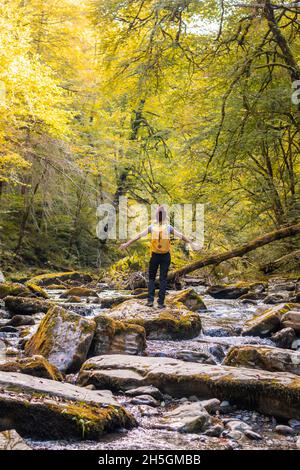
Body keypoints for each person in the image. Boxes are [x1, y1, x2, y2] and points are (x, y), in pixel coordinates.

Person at [120, 205, 194, 308]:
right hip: (165, 256)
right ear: (164, 217)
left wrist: (127, 244)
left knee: (152, 278)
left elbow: (138, 236)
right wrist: (191, 243)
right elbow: (181, 236)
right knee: (162, 279)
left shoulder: (153, 227)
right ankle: (160, 303)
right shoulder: (168, 227)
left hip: (155, 256)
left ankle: (150, 301)